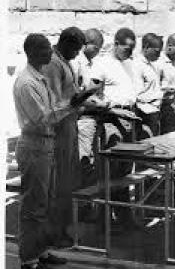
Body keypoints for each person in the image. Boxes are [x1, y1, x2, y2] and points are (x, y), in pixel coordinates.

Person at [13, 33, 84, 269]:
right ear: (32, 52)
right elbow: (42, 118)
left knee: (45, 202)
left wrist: (70, 103)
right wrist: (71, 105)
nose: (49, 53)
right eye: (45, 50)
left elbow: (51, 108)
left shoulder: (39, 77)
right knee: (33, 205)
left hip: (45, 144)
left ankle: (41, 251)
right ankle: (28, 258)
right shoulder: (27, 83)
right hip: (34, 145)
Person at [41, 26, 86, 247]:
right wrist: (77, 100)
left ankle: (61, 229)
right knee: (58, 183)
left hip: (69, 126)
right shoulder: (52, 62)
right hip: (58, 131)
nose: (77, 54)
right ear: (66, 43)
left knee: (67, 182)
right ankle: (53, 233)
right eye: (76, 50)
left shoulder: (64, 61)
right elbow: (53, 103)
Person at [90, 27, 138, 143]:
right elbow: (93, 96)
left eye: (132, 49)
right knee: (113, 156)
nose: (129, 53)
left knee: (129, 157)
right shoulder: (102, 64)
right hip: (111, 118)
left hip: (130, 116)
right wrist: (112, 110)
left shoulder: (130, 64)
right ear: (116, 44)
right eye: (126, 49)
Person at [72, 29, 107, 186]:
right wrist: (96, 102)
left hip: (92, 116)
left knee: (91, 157)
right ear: (86, 44)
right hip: (83, 117)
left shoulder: (89, 64)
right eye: (97, 48)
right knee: (84, 159)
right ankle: (83, 201)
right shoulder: (77, 63)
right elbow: (75, 96)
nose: (98, 52)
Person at [135, 33, 164, 137]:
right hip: (145, 114)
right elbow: (138, 95)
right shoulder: (137, 66)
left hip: (154, 111)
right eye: (156, 51)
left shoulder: (152, 66)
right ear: (146, 47)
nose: (159, 55)